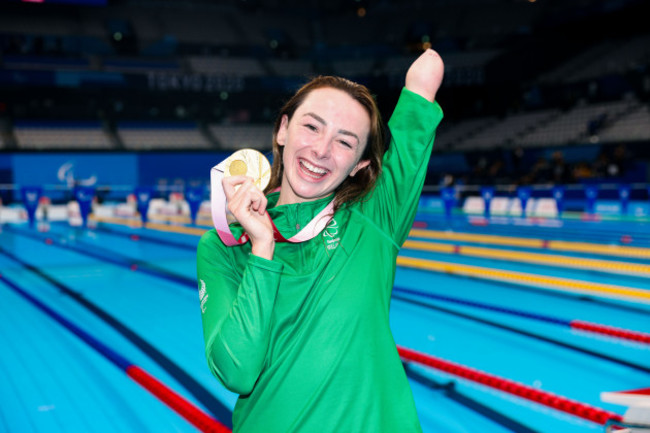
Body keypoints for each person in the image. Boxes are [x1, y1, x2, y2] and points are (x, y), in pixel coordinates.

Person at [197, 49, 444, 432]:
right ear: (283, 129)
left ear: (361, 164)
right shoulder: (224, 249)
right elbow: (237, 371)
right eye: (312, 127)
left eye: (345, 142)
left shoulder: (375, 217)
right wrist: (262, 249)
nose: (322, 150)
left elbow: (427, 75)